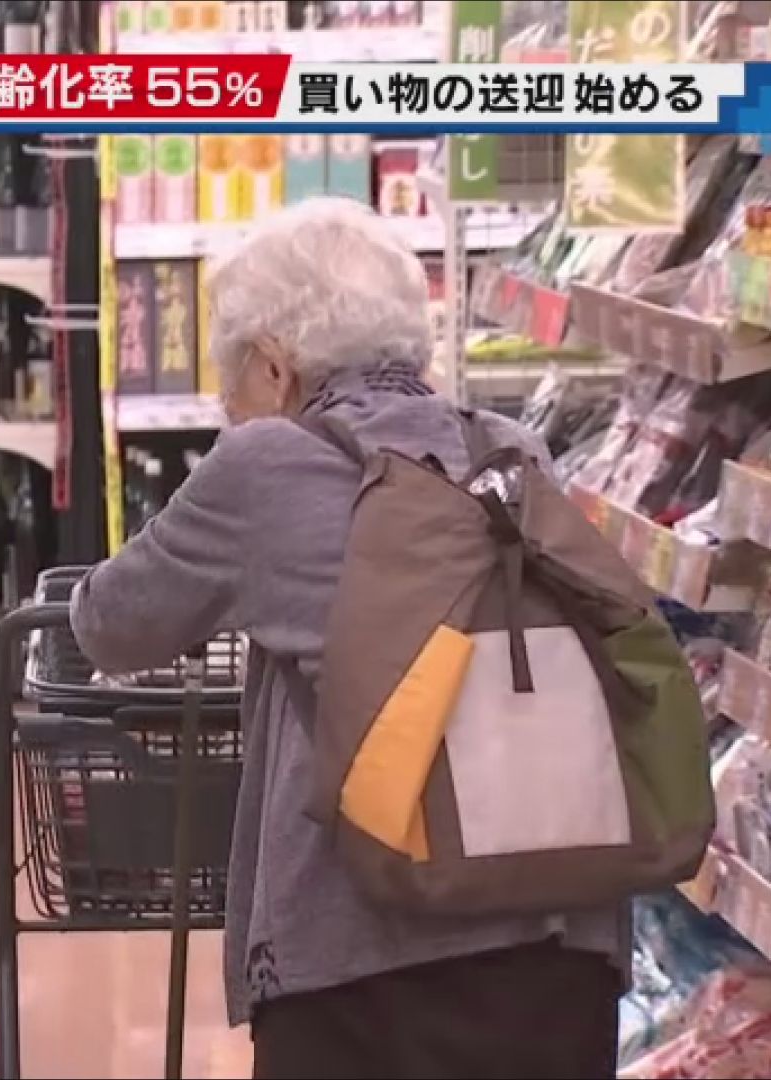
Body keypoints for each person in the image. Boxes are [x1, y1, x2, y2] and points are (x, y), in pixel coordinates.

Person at [69, 198, 626, 1080]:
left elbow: (112, 625)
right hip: (562, 930)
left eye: (230, 381)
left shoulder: (263, 463)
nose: (226, 405)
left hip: (366, 954)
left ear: (274, 365)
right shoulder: (511, 449)